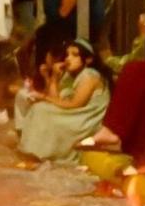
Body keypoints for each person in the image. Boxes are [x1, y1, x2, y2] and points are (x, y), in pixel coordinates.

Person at [12, 38, 109, 167]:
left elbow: (75, 104)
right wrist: (52, 78)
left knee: (41, 109)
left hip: (85, 119)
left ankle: (35, 153)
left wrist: (43, 97)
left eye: (74, 55)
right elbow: (56, 98)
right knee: (29, 100)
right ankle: (28, 145)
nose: (68, 58)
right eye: (67, 54)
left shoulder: (90, 75)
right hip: (72, 113)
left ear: (88, 59)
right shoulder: (70, 74)